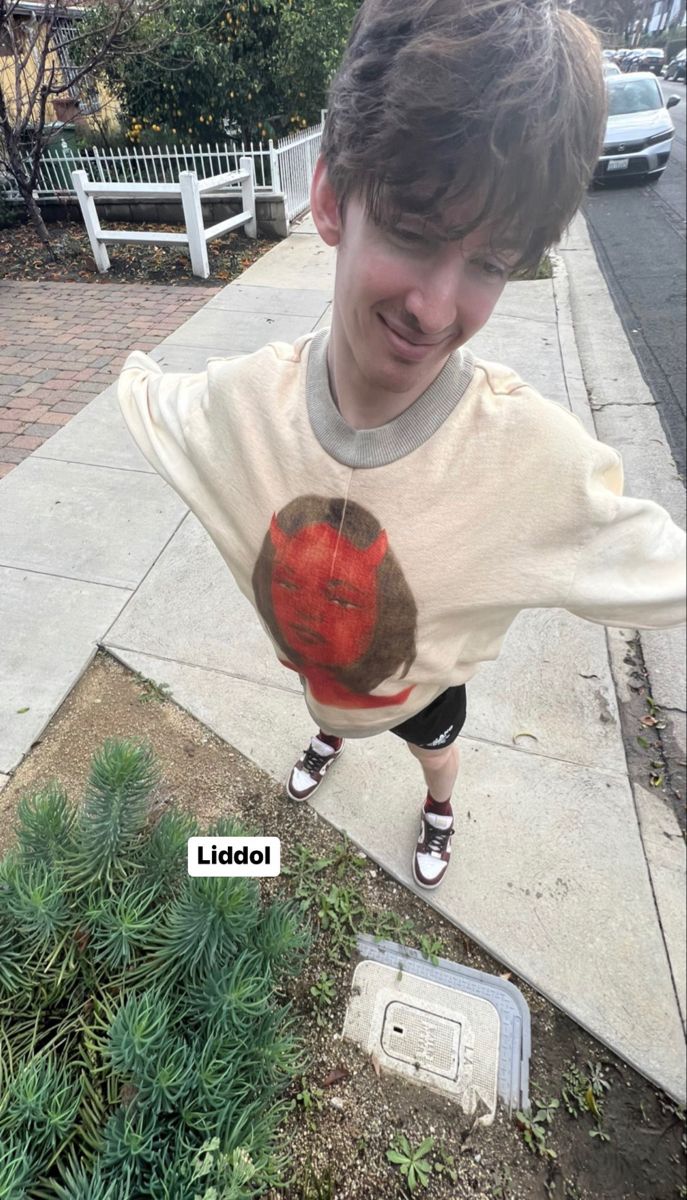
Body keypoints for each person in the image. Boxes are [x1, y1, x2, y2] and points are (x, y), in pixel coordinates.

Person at [118, 0, 686, 892]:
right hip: (322, 669)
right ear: (331, 199)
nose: (434, 306)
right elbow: (155, 401)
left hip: (422, 695)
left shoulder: (530, 463)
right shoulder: (243, 403)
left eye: (490, 263)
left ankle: (438, 808)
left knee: (434, 750)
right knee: (335, 697)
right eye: (415, 233)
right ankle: (330, 728)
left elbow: (660, 564)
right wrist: (128, 371)